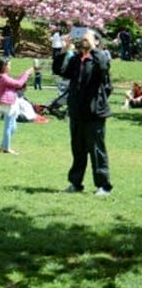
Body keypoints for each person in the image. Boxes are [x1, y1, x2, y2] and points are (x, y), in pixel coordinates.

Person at [54, 30, 114, 195]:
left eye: (88, 37)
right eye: (83, 37)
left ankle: (104, 186)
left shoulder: (99, 58)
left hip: (95, 113)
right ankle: (75, 183)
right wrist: (65, 49)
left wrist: (94, 47)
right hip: (77, 112)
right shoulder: (75, 59)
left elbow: (104, 67)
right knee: (78, 150)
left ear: (96, 42)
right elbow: (59, 70)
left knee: (96, 150)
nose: (84, 39)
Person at [0, 58, 33, 155]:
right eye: (9, 65)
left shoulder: (3, 77)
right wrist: (26, 73)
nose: (10, 67)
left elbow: (15, 83)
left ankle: (3, 145)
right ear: (3, 66)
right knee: (8, 126)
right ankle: (6, 148)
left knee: (13, 127)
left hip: (11, 102)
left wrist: (25, 75)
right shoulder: (1, 77)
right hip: (7, 103)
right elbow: (18, 84)